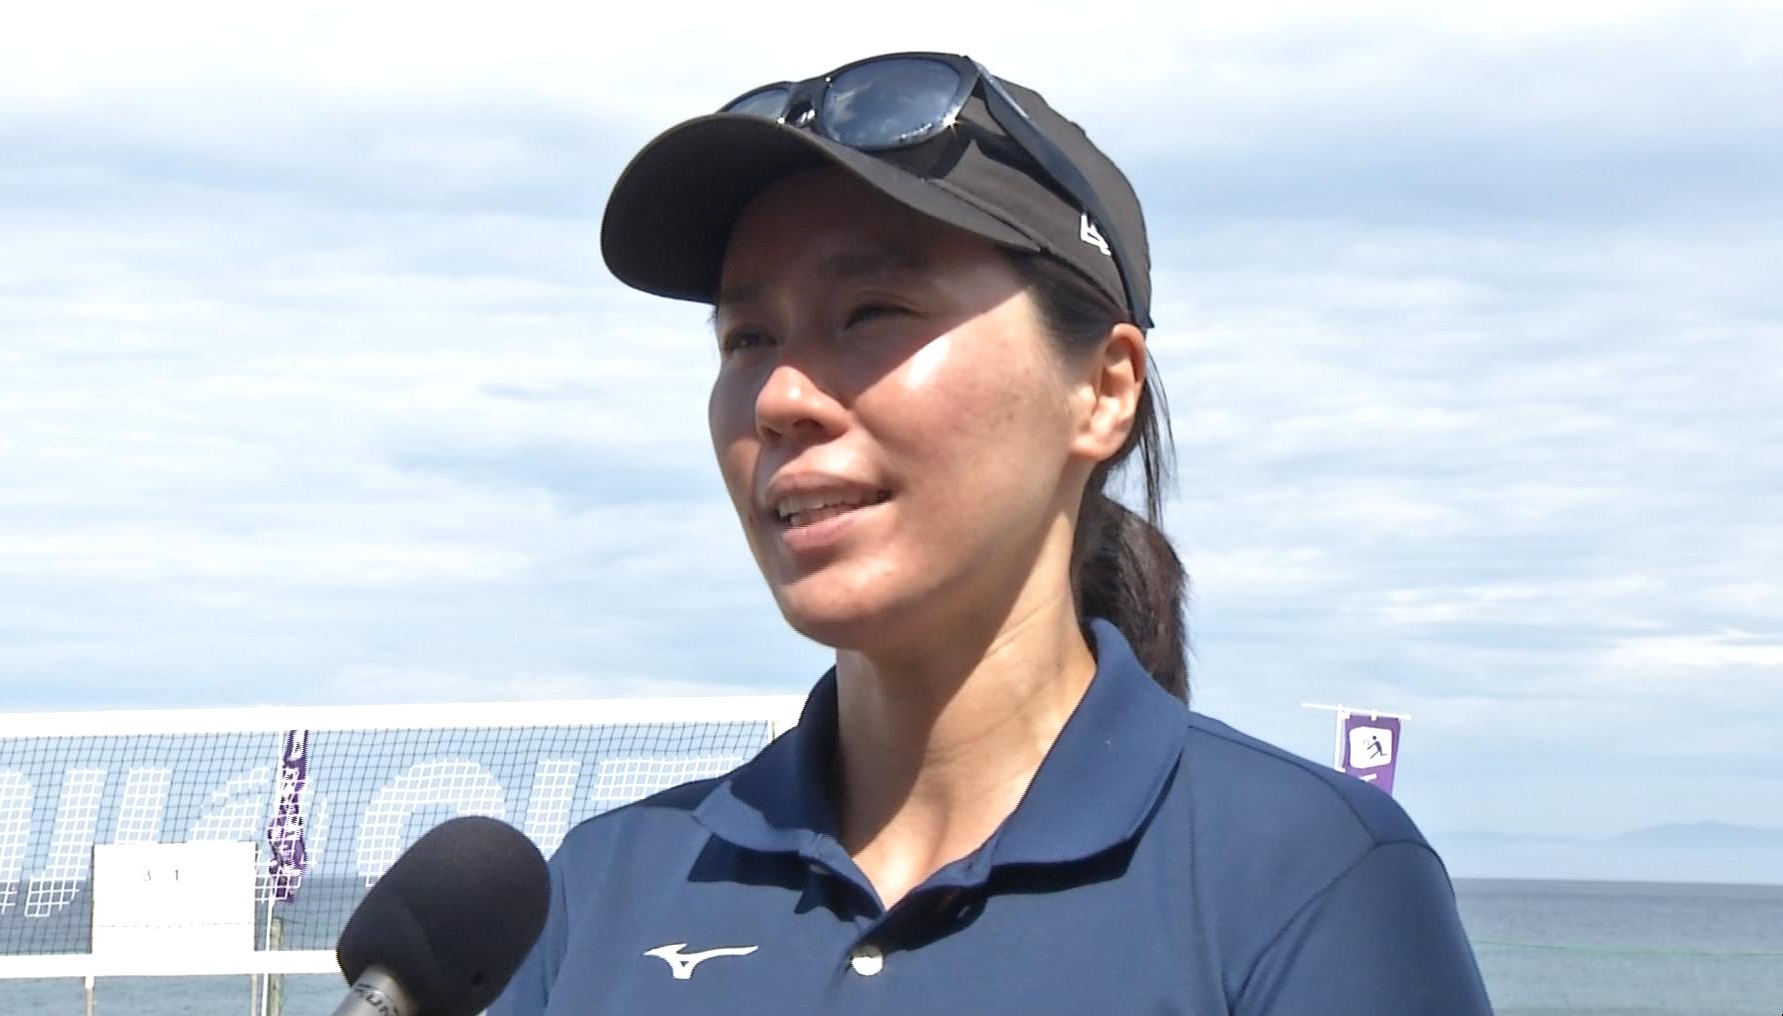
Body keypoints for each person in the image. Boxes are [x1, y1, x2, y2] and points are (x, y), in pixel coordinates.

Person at [495, 52, 1493, 1014]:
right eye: (746, 338)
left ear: (1102, 390)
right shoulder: (601, 893)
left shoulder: (1308, 880)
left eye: (872, 311)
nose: (781, 397)